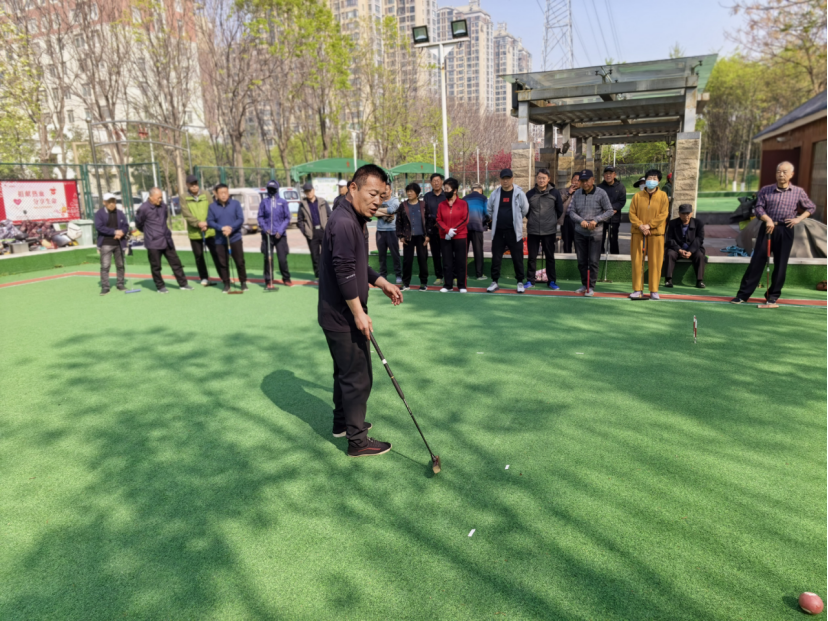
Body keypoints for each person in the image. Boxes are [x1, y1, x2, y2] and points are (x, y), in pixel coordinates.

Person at [318, 164, 403, 458]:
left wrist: (382, 283)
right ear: (353, 188)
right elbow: (344, 270)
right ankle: (357, 441)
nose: (377, 201)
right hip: (342, 315)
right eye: (372, 193)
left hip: (338, 313)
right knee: (358, 377)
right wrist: (358, 313)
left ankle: (342, 424)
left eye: (381, 196)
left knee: (345, 372)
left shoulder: (353, 217)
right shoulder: (344, 222)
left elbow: (358, 264)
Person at [731, 161, 815, 305]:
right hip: (767, 228)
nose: (781, 174)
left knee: (781, 264)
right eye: (778, 171)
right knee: (757, 261)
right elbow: (759, 208)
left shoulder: (798, 192)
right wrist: (768, 219)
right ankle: (743, 295)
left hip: (786, 229)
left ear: (791, 174)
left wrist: (798, 219)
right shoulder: (766, 190)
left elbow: (811, 207)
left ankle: (773, 295)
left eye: (784, 172)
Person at [135, 187, 193, 293]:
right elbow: (139, 224)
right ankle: (160, 287)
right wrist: (150, 232)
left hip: (167, 240)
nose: (160, 200)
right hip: (153, 242)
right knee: (156, 266)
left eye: (161, 197)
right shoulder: (143, 209)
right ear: (151, 197)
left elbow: (164, 219)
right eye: (158, 198)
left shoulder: (164, 206)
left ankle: (183, 284)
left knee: (176, 263)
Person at [568, 169, 613, 296]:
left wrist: (596, 220)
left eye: (587, 180)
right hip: (579, 232)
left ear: (593, 180)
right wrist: (581, 221)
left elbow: (609, 211)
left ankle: (591, 286)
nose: (584, 183)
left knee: (593, 261)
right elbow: (571, 212)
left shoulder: (601, 193)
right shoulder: (577, 193)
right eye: (582, 181)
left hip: (596, 233)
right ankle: (584, 284)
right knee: (581, 261)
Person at [629, 169, 670, 300]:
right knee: (637, 261)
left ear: (659, 181)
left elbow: (664, 214)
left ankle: (654, 290)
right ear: (645, 180)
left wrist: (649, 225)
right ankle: (637, 289)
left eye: (654, 178)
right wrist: (640, 225)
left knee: (655, 262)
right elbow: (632, 214)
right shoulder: (637, 196)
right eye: (649, 178)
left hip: (656, 234)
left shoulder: (663, 196)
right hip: (638, 233)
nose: (651, 181)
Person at [486, 168, 529, 293]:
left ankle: (520, 282)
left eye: (508, 178)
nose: (505, 181)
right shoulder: (495, 194)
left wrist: (516, 219)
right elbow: (489, 209)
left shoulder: (519, 193)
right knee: (496, 258)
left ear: (512, 179)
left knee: (517, 258)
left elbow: (525, 209)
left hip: (514, 232)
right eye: (503, 179)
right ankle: (494, 282)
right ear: (500, 180)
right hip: (498, 232)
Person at [525, 168, 563, 290]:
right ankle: (530, 280)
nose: (541, 180)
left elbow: (559, 210)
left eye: (544, 178)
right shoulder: (530, 194)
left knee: (550, 257)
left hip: (549, 231)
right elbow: (526, 211)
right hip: (533, 230)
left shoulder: (555, 193)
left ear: (548, 179)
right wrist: (533, 219)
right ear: (536, 179)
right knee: (532, 257)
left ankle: (551, 281)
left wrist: (550, 221)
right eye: (539, 178)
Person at [207, 183, 248, 293]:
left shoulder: (235, 204)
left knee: (240, 262)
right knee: (223, 263)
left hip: (235, 238)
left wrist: (231, 228)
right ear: (216, 194)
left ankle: (243, 282)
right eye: (221, 193)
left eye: (225, 192)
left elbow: (240, 219)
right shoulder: (212, 207)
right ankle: (226, 284)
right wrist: (221, 228)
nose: (224, 195)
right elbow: (210, 221)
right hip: (220, 240)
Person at [180, 174, 219, 287]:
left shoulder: (206, 194)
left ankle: (224, 276)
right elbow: (186, 213)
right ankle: (204, 277)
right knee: (199, 256)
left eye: (196, 183)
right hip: (195, 232)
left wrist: (207, 222)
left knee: (217, 254)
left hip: (209, 230)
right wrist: (198, 223)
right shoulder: (183, 197)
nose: (194, 186)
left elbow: (212, 209)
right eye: (191, 184)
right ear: (187, 185)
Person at [436, 177, 470, 293]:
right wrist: (447, 230)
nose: (445, 191)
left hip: (460, 236)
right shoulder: (441, 205)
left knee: (461, 261)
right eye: (444, 189)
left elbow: (464, 219)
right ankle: (448, 285)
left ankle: (461, 285)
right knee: (447, 262)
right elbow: (438, 220)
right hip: (445, 237)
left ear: (454, 190)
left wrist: (453, 231)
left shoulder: (463, 204)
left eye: (447, 189)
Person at [258, 179, 292, 287]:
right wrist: (265, 228)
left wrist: (280, 230)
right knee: (268, 259)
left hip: (280, 236)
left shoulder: (283, 202)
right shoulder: (264, 202)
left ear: (277, 189)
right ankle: (269, 280)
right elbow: (260, 217)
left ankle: (286, 278)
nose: (271, 190)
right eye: (269, 188)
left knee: (282, 259)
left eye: (273, 188)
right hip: (267, 236)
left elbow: (287, 218)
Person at [94, 193, 129, 295]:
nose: (112, 204)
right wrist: (114, 232)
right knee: (105, 266)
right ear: (104, 202)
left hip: (119, 243)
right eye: (109, 202)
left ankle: (120, 284)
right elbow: (99, 227)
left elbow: (126, 226)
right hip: (106, 243)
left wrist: (122, 232)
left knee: (120, 265)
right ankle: (105, 287)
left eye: (113, 201)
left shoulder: (120, 213)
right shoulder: (99, 214)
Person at [396, 183, 429, 291]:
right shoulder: (403, 205)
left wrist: (428, 235)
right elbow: (398, 222)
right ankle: (405, 283)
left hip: (421, 237)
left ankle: (423, 283)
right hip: (408, 237)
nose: (409, 193)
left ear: (417, 193)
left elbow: (429, 220)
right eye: (408, 191)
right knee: (407, 261)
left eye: (411, 191)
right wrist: (400, 236)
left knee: (422, 260)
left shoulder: (423, 205)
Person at [665, 204, 707, 289]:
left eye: (688, 213)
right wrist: (679, 250)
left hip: (693, 248)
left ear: (691, 213)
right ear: (679, 214)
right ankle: (668, 279)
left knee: (699, 255)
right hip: (677, 248)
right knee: (670, 254)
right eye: (683, 213)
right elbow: (670, 239)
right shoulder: (672, 223)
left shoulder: (698, 223)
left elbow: (699, 239)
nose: (686, 216)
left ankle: (700, 280)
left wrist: (690, 251)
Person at [298, 181, 331, 282]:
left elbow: (330, 215)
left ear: (313, 190)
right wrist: (305, 231)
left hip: (323, 231)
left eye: (310, 190)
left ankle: (328, 274)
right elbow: (299, 220)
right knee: (315, 256)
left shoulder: (322, 202)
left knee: (327, 254)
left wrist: (329, 229)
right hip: (311, 233)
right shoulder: (302, 204)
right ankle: (319, 276)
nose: (308, 193)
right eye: (306, 191)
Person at [375, 183, 402, 284]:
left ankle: (398, 275)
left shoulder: (395, 200)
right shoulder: (378, 199)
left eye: (386, 189)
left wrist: (379, 210)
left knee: (395, 254)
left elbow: (391, 210)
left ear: (390, 191)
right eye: (383, 189)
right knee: (381, 256)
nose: (385, 191)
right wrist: (387, 213)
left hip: (392, 231)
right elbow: (373, 212)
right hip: (380, 231)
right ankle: (383, 275)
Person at [597, 166, 627, 256]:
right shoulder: (599, 187)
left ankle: (615, 258)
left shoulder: (620, 187)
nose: (608, 175)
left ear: (614, 175)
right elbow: (596, 200)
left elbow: (622, 201)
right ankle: (599, 257)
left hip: (614, 218)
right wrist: (603, 210)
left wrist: (613, 209)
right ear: (603, 175)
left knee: (613, 239)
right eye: (606, 173)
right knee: (600, 239)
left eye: (610, 173)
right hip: (601, 218)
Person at [423, 173, 445, 286]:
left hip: (445, 230)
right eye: (434, 181)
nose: (436, 183)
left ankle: (451, 276)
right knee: (436, 254)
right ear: (431, 183)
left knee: (448, 254)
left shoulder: (446, 195)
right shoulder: (427, 196)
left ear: (442, 182)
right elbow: (425, 213)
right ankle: (439, 276)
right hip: (432, 230)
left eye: (438, 180)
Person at [463, 183, 489, 280]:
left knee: (463, 251)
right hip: (478, 227)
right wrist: (486, 222)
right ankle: (479, 274)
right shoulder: (483, 198)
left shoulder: (464, 198)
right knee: (478, 251)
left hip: (464, 228)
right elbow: (487, 213)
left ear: (471, 190)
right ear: (480, 190)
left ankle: (463, 274)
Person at [560, 172, 580, 253]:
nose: (576, 182)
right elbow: (559, 202)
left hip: (578, 221)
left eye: (578, 180)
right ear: (571, 180)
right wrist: (568, 193)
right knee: (567, 242)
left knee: (578, 242)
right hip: (567, 220)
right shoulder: (564, 191)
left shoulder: (583, 192)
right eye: (575, 180)